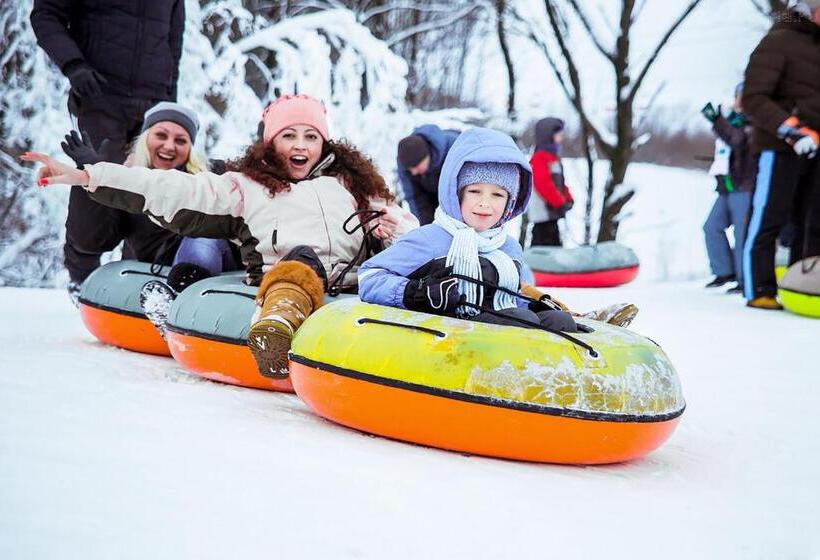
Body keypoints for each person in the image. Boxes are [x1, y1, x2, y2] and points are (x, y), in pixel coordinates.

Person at [23, 94, 419, 378]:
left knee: (408, 269)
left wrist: (391, 229)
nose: (300, 145)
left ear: (323, 143)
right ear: (271, 142)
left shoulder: (352, 184)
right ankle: (275, 334)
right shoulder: (247, 186)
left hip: (353, 286)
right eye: (289, 135)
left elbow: (407, 226)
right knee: (299, 261)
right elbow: (174, 188)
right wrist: (89, 175)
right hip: (288, 283)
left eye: (310, 136)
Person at [359, 127, 637, 330]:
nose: (485, 203)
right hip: (455, 338)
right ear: (456, 194)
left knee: (556, 321)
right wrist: (416, 292)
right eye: (475, 191)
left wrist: (537, 304)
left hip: (502, 324)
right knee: (520, 321)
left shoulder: (508, 248)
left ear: (511, 203)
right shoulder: (431, 240)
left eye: (497, 195)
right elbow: (370, 276)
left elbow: (518, 294)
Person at [30, 0, 185, 299]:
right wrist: (73, 65)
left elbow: (173, 39)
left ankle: (141, 280)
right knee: (96, 178)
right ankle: (82, 276)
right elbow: (46, 15)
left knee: (152, 192)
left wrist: (169, 103)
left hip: (154, 102)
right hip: (99, 93)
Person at [741, 0, 820, 310]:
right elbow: (753, 97)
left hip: (817, 149)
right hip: (781, 146)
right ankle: (759, 288)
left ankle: (805, 286)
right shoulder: (780, 39)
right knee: (770, 216)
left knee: (812, 221)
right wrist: (792, 130)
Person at [700, 83, 757, 294]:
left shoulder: (755, 121)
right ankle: (724, 271)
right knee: (711, 226)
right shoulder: (733, 120)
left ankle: (744, 279)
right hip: (727, 186)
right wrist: (720, 121)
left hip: (745, 186)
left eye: (741, 95)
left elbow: (738, 140)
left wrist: (718, 121)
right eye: (737, 95)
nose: (738, 100)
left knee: (742, 234)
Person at [396, 125, 460, 225]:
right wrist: (425, 227)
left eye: (416, 166)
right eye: (410, 169)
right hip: (432, 197)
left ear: (427, 156)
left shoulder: (456, 149)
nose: (413, 172)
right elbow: (415, 197)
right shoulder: (405, 162)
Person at [527, 117, 573, 247]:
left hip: (552, 214)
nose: (561, 138)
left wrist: (568, 198)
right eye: (559, 135)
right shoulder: (540, 157)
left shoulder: (553, 157)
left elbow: (560, 183)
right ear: (548, 136)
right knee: (543, 247)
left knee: (554, 244)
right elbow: (543, 184)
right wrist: (559, 202)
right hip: (543, 214)